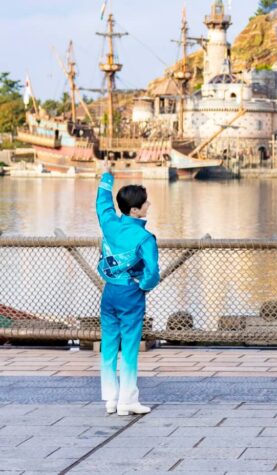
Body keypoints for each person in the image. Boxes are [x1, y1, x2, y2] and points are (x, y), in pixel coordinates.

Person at [96, 160, 160, 416]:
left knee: (109, 344)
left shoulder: (110, 224)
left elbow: (102, 203)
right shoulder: (145, 238)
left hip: (109, 291)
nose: (149, 204)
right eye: (145, 202)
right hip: (130, 293)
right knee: (130, 346)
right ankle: (127, 401)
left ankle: (110, 399)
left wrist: (106, 175)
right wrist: (142, 285)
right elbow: (152, 272)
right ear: (135, 210)